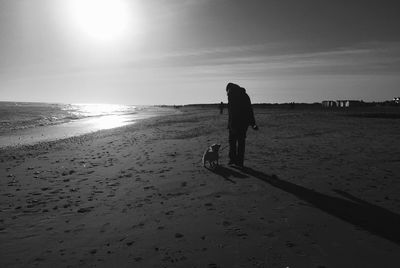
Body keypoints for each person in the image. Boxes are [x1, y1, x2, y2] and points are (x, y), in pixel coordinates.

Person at [226, 82, 258, 167]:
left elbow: (233, 112)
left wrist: (231, 125)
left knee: (234, 142)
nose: (227, 93)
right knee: (239, 142)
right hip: (242, 124)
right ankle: (238, 161)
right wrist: (253, 123)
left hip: (238, 124)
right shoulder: (244, 95)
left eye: (227, 91)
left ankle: (234, 160)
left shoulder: (232, 95)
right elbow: (249, 110)